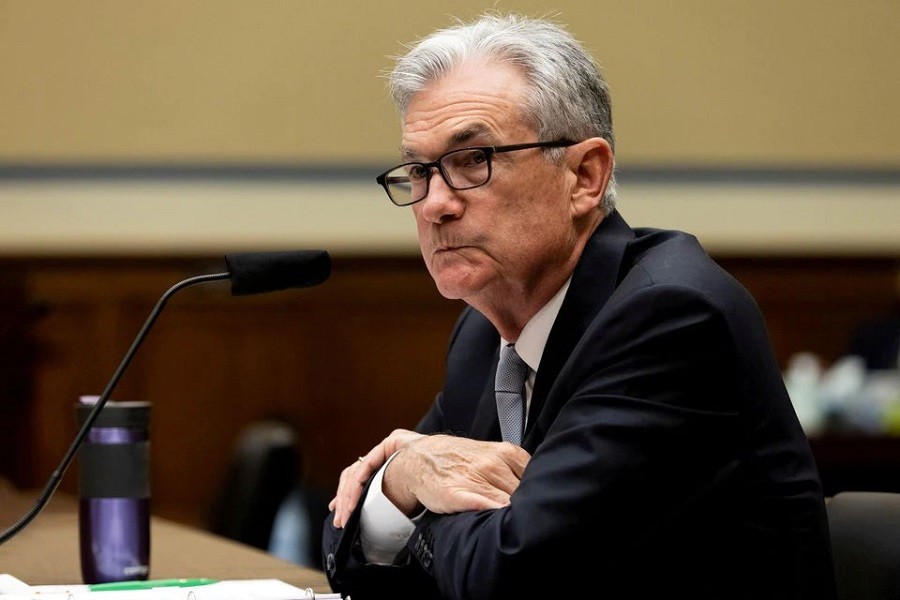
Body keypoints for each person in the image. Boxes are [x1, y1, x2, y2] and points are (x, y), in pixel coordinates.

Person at [322, 12, 835, 600]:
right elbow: (353, 551)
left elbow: (511, 576)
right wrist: (404, 481)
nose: (435, 203)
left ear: (585, 176)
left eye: (473, 160)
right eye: (419, 170)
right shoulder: (482, 335)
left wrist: (410, 490)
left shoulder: (672, 318)